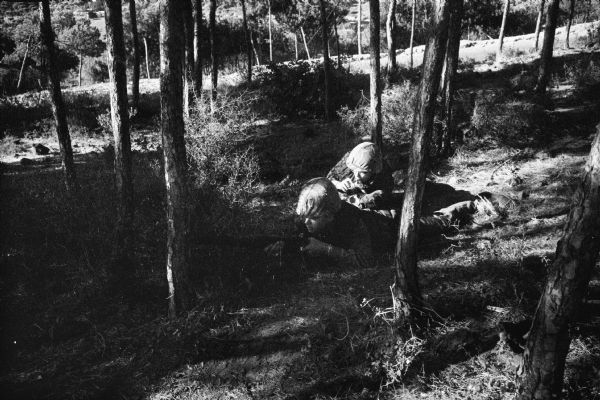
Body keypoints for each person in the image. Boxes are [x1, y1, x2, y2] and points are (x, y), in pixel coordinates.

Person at [265, 177, 396, 269]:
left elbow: (366, 261)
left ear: (328, 216)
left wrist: (326, 249)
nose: (306, 222)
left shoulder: (353, 222)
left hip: (386, 227)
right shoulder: (308, 218)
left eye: (313, 218)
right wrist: (284, 247)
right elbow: (299, 239)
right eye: (304, 217)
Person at [327, 142, 398, 212]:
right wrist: (337, 184)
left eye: (363, 172)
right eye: (353, 170)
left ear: (373, 172)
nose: (356, 175)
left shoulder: (383, 176)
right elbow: (328, 178)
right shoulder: (351, 160)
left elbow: (384, 197)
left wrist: (366, 198)